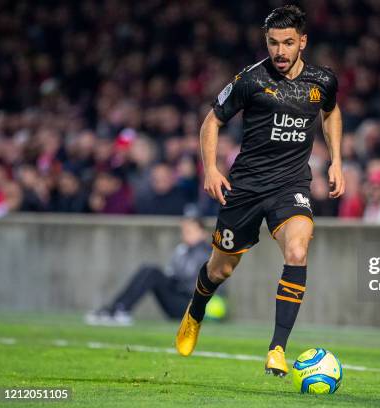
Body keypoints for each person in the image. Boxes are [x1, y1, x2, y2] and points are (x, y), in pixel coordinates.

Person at [175, 5, 344, 378]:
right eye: (273, 43)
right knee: (221, 269)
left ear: (303, 41)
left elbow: (330, 112)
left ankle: (277, 350)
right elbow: (211, 121)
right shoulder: (251, 80)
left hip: (291, 184)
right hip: (247, 188)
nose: (280, 51)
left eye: (287, 43)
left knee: (298, 250)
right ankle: (196, 311)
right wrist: (211, 169)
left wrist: (336, 160)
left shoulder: (322, 81)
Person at [86, 212, 211, 326]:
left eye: (190, 231)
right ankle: (117, 308)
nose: (185, 234)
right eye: (183, 231)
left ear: (203, 233)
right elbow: (172, 274)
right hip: (178, 296)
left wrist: (171, 280)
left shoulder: (207, 253)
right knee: (149, 270)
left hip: (192, 305)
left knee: (153, 273)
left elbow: (192, 283)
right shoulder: (182, 250)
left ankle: (120, 309)